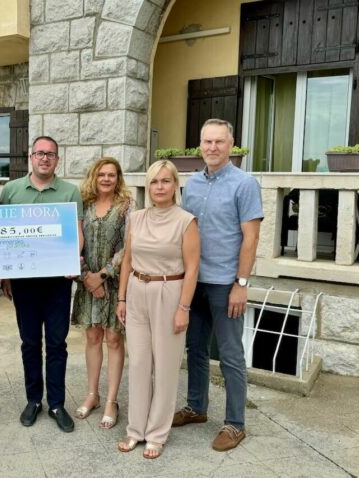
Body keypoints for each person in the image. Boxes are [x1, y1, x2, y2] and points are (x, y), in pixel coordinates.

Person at [174, 118, 263, 452]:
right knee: (195, 350)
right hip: (194, 281)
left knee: (229, 355)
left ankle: (235, 423)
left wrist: (241, 283)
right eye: (207, 142)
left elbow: (251, 238)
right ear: (200, 145)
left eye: (219, 142)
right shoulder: (193, 183)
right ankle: (196, 407)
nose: (212, 147)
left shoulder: (245, 183)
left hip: (226, 283)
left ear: (231, 144)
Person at [116, 160, 200, 459]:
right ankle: (135, 430)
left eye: (165, 181)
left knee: (165, 367)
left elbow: (192, 269)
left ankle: (156, 434)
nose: (160, 187)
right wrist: (122, 298)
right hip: (137, 290)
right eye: (154, 181)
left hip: (170, 291)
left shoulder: (186, 221)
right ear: (147, 186)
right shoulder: (136, 218)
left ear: (175, 185)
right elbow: (127, 259)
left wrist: (183, 307)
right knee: (138, 364)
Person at [0, 136, 84, 433]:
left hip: (58, 283)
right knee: (30, 343)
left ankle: (57, 403)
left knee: (57, 344)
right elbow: (1, 236)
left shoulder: (70, 192)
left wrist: (73, 260)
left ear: (57, 160)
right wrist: (4, 275)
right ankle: (34, 399)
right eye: (39, 153)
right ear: (30, 157)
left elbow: (77, 233)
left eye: (50, 154)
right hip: (24, 283)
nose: (44, 158)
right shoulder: (11, 191)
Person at [71, 157, 133, 429]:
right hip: (87, 282)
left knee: (114, 340)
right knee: (93, 336)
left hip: (114, 282)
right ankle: (93, 394)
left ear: (118, 178)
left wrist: (102, 275)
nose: (106, 179)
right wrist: (86, 277)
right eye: (101, 174)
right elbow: (73, 242)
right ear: (93, 177)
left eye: (112, 175)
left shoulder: (127, 207)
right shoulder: (82, 205)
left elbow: (129, 247)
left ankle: (111, 400)